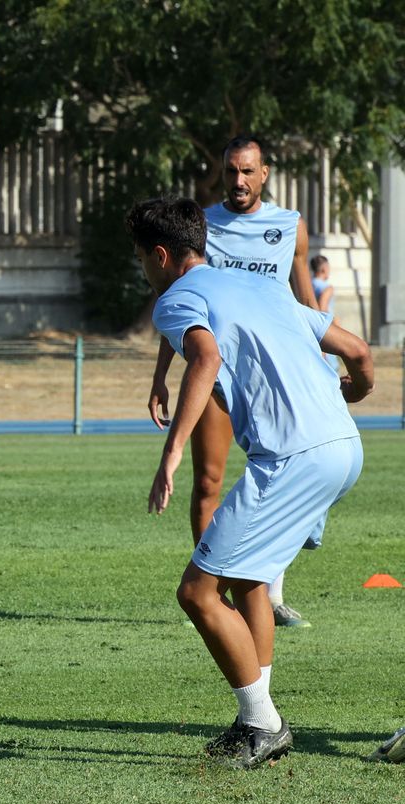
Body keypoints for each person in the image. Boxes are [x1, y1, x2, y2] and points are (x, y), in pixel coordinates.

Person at [132, 196, 372, 768]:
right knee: (249, 580)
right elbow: (357, 351)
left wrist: (170, 455)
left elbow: (206, 358)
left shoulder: (173, 298)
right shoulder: (261, 286)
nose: (144, 269)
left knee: (197, 592)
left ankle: (264, 725)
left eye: (141, 258)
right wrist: (355, 391)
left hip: (292, 457)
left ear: (161, 256)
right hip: (345, 447)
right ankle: (253, 722)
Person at [149, 136, 322, 628]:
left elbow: (304, 301)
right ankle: (213, 592)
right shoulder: (202, 225)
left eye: (247, 171)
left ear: (265, 172)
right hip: (218, 374)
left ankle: (271, 595)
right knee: (208, 480)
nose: (239, 181)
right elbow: (184, 302)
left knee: (278, 476)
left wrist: (323, 364)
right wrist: (161, 374)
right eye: (230, 171)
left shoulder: (289, 226)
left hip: (275, 374)